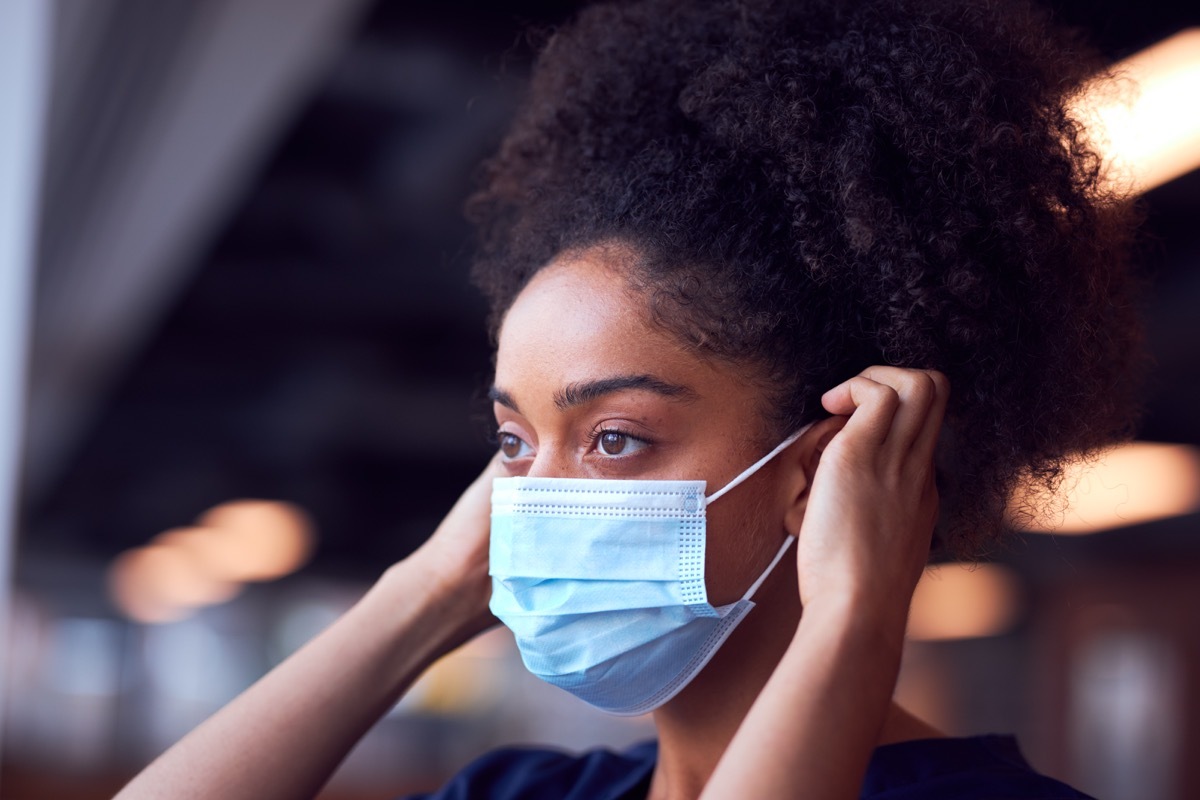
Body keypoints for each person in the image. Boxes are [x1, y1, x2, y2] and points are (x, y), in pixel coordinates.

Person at [115, 0, 1143, 797]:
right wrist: (425, 591)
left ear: (820, 469)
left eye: (611, 437)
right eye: (514, 440)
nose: (540, 497)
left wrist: (855, 621)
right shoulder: (523, 789)